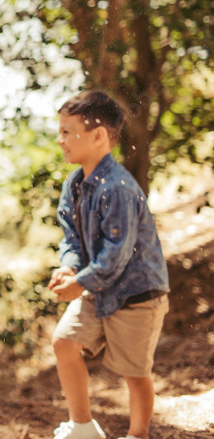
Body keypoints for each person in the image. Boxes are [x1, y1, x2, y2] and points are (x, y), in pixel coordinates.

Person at [48, 91, 170, 439]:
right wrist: (70, 268)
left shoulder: (117, 188)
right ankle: (83, 427)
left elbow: (117, 253)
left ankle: (137, 434)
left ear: (98, 135)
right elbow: (71, 237)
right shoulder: (75, 184)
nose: (60, 140)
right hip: (97, 286)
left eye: (67, 132)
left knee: (134, 372)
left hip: (136, 294)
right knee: (64, 341)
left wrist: (80, 283)